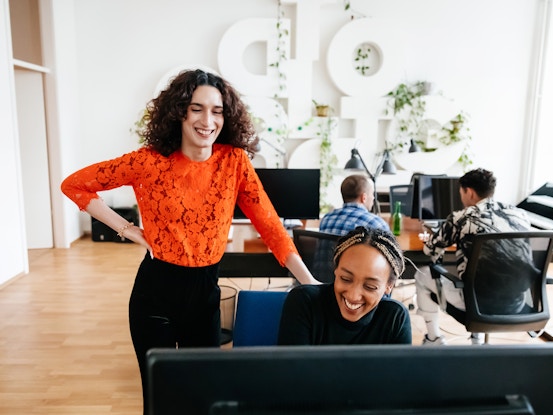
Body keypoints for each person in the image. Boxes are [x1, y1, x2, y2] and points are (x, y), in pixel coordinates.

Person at [60, 69, 320, 414]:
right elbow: (74, 184)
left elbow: (271, 226)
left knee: (204, 396)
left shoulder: (234, 162)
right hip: (155, 297)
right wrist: (127, 229)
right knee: (159, 399)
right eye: (197, 108)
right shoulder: (148, 161)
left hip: (205, 298)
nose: (207, 120)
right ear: (180, 111)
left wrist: (311, 284)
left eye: (217, 111)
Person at [414, 168, 530, 346]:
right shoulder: (519, 215)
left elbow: (431, 251)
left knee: (422, 274)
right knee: (483, 274)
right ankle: (477, 339)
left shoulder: (462, 218)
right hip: (517, 303)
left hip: (476, 304)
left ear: (469, 191)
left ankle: (434, 339)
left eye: (461, 192)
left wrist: (431, 241)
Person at [278, 226, 412, 345]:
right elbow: (292, 371)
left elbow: (400, 373)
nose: (353, 296)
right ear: (336, 270)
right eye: (346, 279)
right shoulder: (304, 302)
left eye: (370, 286)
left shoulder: (394, 318)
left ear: (389, 286)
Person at [320, 174, 391, 235]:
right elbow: (391, 250)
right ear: (364, 198)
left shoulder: (326, 219)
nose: (373, 198)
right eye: (372, 194)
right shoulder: (376, 224)